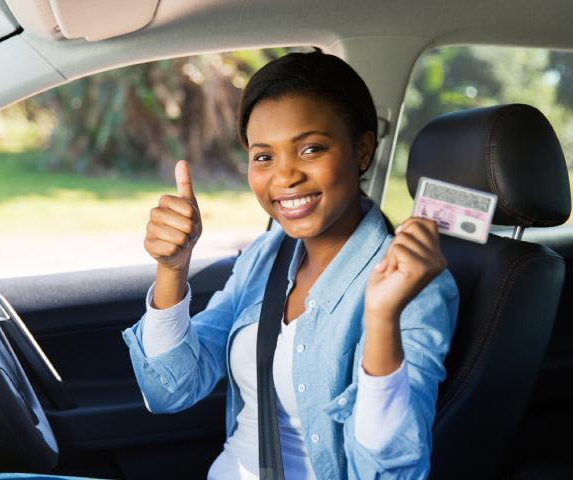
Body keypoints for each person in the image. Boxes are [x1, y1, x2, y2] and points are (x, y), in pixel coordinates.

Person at [122, 50, 459, 479]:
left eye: (311, 149)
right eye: (264, 157)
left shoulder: (414, 286)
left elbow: (389, 472)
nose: (285, 177)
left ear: (362, 150)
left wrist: (381, 318)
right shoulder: (268, 254)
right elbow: (170, 388)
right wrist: (172, 268)